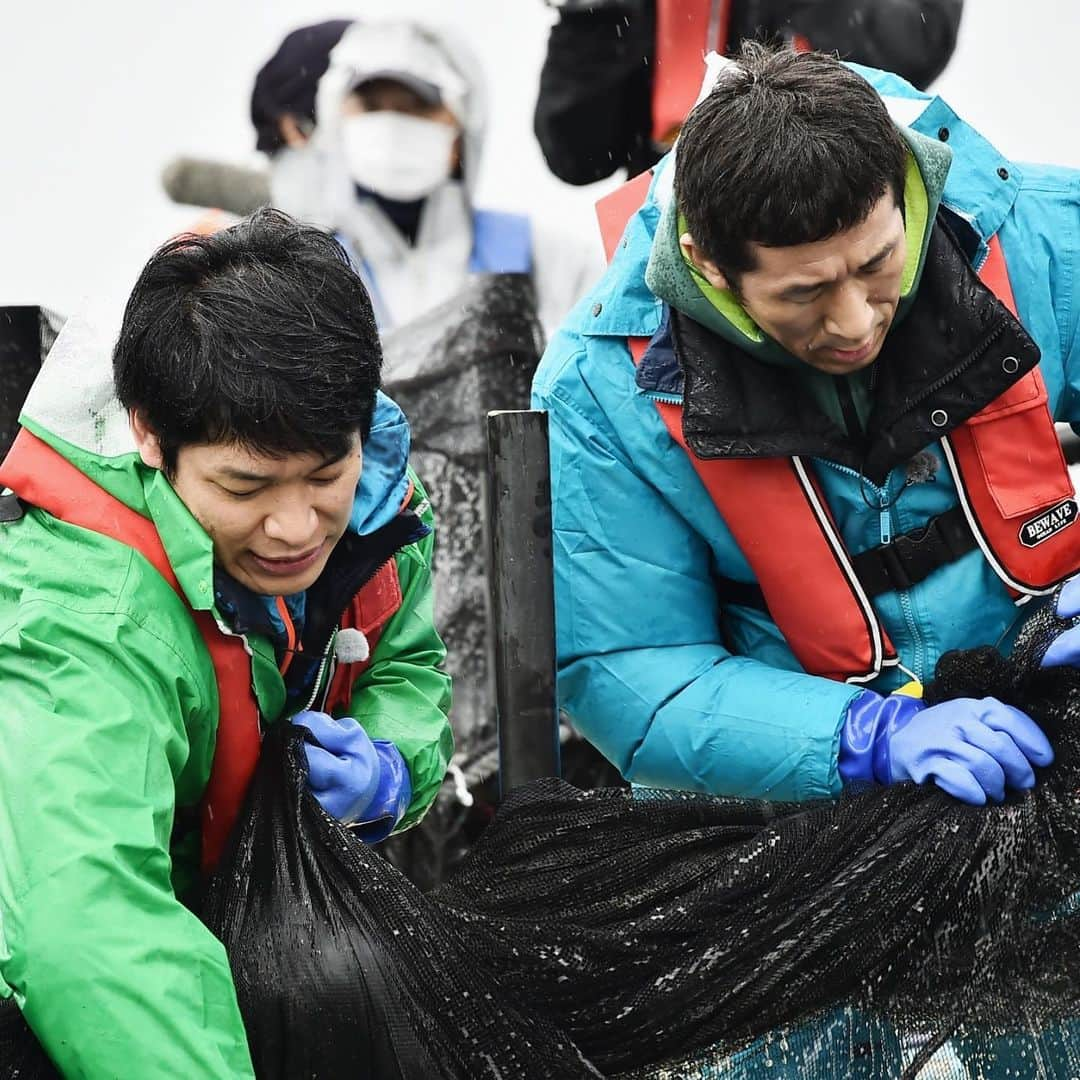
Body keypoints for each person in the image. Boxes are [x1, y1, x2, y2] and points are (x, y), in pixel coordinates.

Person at [532, 42, 1080, 810]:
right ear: (707, 263)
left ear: (907, 185)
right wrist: (867, 737)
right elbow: (634, 666)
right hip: (791, 802)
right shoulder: (595, 390)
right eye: (805, 293)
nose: (855, 322)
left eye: (877, 262)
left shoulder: (1054, 240)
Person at [0, 210, 452, 1076]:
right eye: (245, 486)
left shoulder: (377, 501)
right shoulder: (83, 612)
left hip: (265, 938)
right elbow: (84, 925)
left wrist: (394, 765)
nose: (294, 527)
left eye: (325, 476)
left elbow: (405, 662)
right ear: (149, 435)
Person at [253, 18, 600, 338]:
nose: (391, 126)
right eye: (371, 106)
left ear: (460, 129)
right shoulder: (310, 275)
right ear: (336, 120)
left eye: (415, 106)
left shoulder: (544, 257)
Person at [534, 0, 965, 184]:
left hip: (839, 211)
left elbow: (910, 48)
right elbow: (575, 152)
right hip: (676, 246)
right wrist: (600, 13)